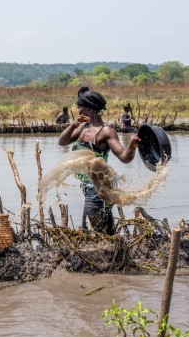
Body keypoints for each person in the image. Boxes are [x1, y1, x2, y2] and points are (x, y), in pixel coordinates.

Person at [57, 87, 139, 234]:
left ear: (89, 109)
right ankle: (114, 254)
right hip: (87, 186)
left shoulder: (106, 131)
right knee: (102, 231)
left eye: (80, 108)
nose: (78, 111)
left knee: (90, 231)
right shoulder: (84, 126)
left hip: (98, 187)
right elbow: (63, 141)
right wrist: (74, 124)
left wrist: (132, 146)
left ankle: (108, 254)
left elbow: (125, 157)